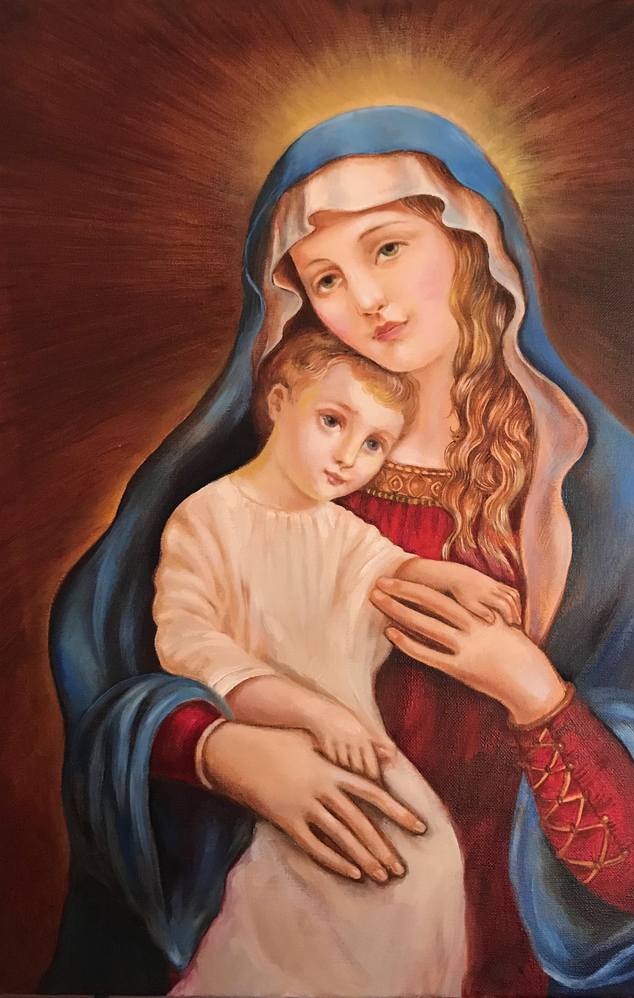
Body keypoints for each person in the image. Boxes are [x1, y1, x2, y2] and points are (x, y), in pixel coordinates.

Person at [43, 107, 634, 998]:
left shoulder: (615, 515)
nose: (366, 299)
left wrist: (534, 695)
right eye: (326, 278)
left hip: (504, 955)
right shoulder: (255, 483)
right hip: (299, 920)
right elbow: (116, 696)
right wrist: (223, 752)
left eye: (388, 249)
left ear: (471, 240)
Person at [153, 326, 521, 996]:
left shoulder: (338, 527)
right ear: (278, 403)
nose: (351, 456)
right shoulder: (207, 517)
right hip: (272, 744)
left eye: (375, 442)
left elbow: (389, 569)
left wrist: (453, 579)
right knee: (307, 900)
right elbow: (191, 644)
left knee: (429, 866)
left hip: (357, 741)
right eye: (333, 421)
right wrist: (311, 713)